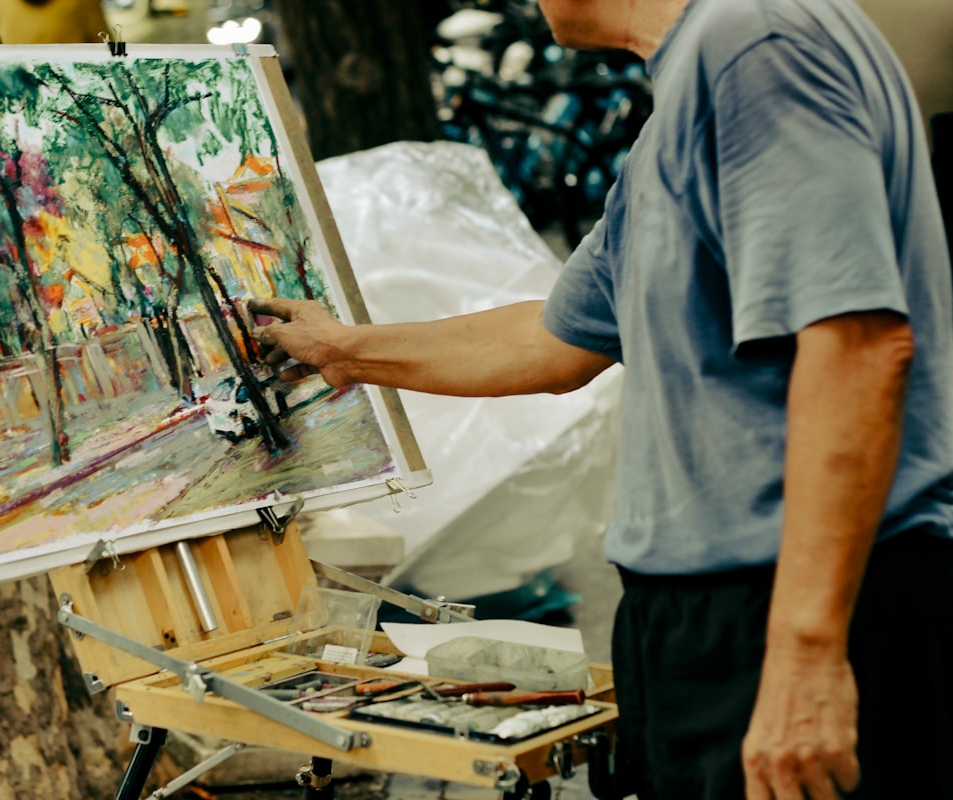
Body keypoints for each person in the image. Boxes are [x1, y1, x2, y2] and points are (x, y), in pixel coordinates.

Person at [253, 0, 953, 798]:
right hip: (707, 617)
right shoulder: (685, 97)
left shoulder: (753, 43)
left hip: (792, 603)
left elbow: (858, 346)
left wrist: (805, 652)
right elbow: (550, 345)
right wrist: (344, 352)